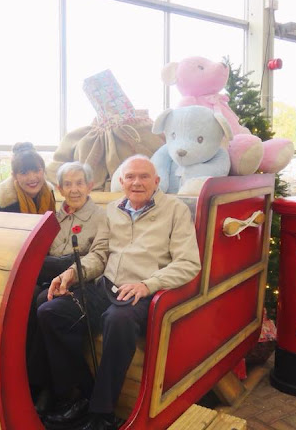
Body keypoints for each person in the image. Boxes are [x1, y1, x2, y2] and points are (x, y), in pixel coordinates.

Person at [37, 155, 201, 430]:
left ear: (157, 181)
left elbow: (188, 263)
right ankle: (82, 395)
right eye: (130, 177)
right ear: (121, 182)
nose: (137, 182)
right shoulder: (113, 209)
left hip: (143, 292)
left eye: (144, 176)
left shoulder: (175, 210)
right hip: (106, 286)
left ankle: (101, 413)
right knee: (50, 312)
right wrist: (72, 274)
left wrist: (148, 284)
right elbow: (99, 254)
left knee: (117, 320)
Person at [29, 161, 106, 414]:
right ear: (60, 189)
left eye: (79, 183)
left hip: (83, 284)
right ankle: (36, 381)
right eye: (68, 184)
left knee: (44, 302)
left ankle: (48, 387)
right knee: (28, 300)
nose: (74, 189)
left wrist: (69, 272)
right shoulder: (54, 218)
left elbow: (98, 257)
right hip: (51, 279)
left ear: (90, 186)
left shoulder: (101, 217)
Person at [0, 142, 55, 214]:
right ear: (14, 176)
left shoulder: (49, 193)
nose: (32, 178)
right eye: (24, 172)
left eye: (36, 170)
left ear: (43, 170)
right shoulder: (1, 208)